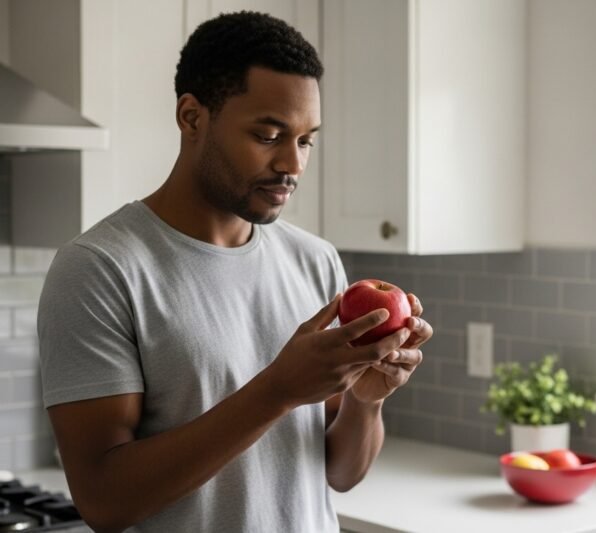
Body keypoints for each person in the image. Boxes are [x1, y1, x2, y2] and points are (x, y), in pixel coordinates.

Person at [37, 11, 431, 533]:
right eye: (269, 135)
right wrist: (277, 391)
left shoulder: (314, 261)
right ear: (192, 117)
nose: (292, 163)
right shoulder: (99, 270)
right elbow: (106, 502)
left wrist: (366, 401)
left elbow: (341, 472)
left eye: (306, 139)